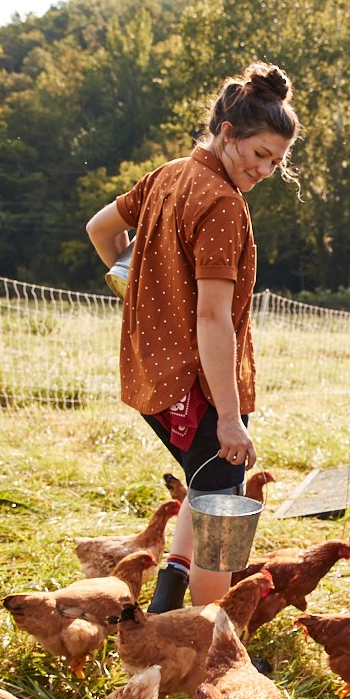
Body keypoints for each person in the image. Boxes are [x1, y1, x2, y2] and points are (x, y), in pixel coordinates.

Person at [86, 61, 300, 612]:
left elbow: (100, 229)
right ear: (228, 133)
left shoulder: (169, 174)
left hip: (153, 374)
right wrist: (229, 418)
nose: (266, 169)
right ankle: (208, 651)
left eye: (277, 161)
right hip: (199, 387)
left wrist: (132, 283)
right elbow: (212, 319)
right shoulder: (223, 204)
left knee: (202, 489)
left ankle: (162, 612)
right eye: (259, 154)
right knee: (220, 524)